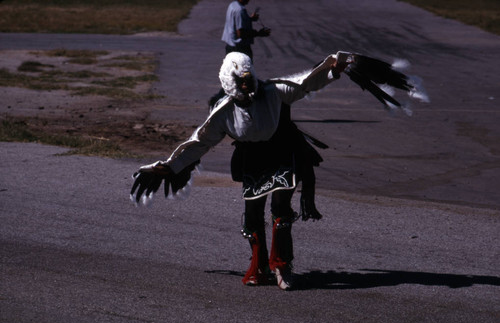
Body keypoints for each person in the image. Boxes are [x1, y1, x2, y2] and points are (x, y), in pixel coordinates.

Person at [130, 51, 428, 290]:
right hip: (252, 160)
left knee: (281, 207)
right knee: (251, 214)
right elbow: (198, 143)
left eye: (250, 78)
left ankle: (282, 266)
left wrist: (335, 67)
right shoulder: (222, 112)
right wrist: (169, 167)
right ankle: (258, 267)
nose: (248, 84)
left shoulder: (273, 91)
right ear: (231, 82)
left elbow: (306, 83)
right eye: (242, 80)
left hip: (282, 150)